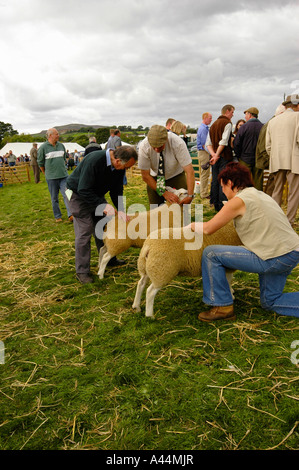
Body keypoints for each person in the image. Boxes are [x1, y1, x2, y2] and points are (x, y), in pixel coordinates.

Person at [188, 162, 299, 321]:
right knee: (270, 302)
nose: (223, 192)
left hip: (274, 257)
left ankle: (222, 306)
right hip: (291, 253)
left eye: (223, 187)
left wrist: (190, 226)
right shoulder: (260, 194)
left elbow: (208, 228)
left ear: (230, 183)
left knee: (211, 254)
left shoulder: (239, 200)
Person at [66, 145, 138, 284]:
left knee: (103, 225)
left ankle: (109, 258)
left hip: (94, 194)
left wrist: (121, 209)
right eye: (127, 167)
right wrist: (103, 205)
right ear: (118, 161)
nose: (127, 170)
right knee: (85, 230)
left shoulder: (118, 168)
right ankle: (82, 271)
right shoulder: (94, 160)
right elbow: (83, 189)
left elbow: (116, 190)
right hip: (77, 195)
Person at [138, 124, 195, 206]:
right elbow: (145, 175)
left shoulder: (177, 143)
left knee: (183, 207)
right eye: (154, 147)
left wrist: (190, 195)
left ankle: (182, 218)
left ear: (166, 139)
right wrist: (164, 193)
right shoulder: (144, 146)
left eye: (160, 146)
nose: (157, 149)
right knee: (155, 209)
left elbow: (190, 171)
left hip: (176, 175)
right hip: (155, 178)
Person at [266, 94, 299, 228]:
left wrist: (274, 155)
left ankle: (275, 221)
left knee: (277, 191)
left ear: (286, 106)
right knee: (294, 192)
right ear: (297, 105)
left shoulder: (273, 121)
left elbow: (268, 146)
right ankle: (288, 223)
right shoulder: (298, 117)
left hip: (277, 160)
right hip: (294, 160)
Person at [37, 128, 73, 223]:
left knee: (68, 195)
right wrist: (47, 174)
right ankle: (58, 216)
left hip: (64, 176)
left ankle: (71, 214)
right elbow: (40, 163)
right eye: (56, 134)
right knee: (54, 198)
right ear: (50, 136)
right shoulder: (43, 148)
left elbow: (64, 158)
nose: (58, 135)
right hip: (51, 178)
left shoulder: (61, 146)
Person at [206, 104, 235, 211]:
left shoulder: (213, 125)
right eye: (232, 112)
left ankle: (214, 203)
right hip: (223, 156)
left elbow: (208, 143)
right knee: (223, 180)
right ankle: (222, 205)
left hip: (214, 157)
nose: (232, 115)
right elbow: (224, 141)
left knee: (215, 180)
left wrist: (213, 155)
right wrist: (217, 155)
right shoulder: (227, 123)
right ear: (227, 111)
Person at [255, 104, 285, 194]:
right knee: (273, 182)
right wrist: (270, 159)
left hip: (269, 157)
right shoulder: (272, 123)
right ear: (282, 113)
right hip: (269, 158)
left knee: (273, 181)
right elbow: (264, 145)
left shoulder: (271, 122)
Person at [233, 107, 263, 186]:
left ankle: (246, 198)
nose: (245, 117)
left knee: (245, 182)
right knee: (258, 183)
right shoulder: (263, 127)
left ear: (250, 115)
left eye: (246, 114)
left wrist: (239, 156)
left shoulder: (243, 127)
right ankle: (258, 198)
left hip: (245, 159)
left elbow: (236, 143)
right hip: (259, 159)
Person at [196, 112, 213, 199]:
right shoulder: (203, 129)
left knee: (205, 173)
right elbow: (204, 144)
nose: (211, 119)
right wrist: (212, 153)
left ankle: (204, 192)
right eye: (210, 118)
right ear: (205, 118)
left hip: (204, 152)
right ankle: (204, 193)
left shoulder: (204, 128)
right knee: (205, 173)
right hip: (204, 152)